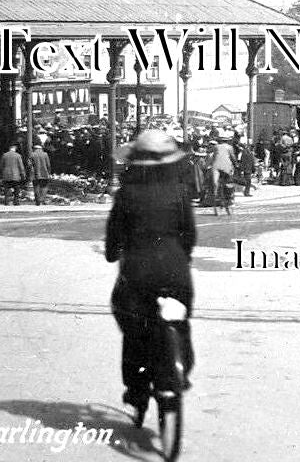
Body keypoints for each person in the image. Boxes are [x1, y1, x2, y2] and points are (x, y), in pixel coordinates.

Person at [106, 129, 196, 427]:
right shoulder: (180, 191)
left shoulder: (126, 194)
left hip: (137, 272)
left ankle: (137, 390)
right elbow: (190, 235)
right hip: (175, 270)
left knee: (134, 330)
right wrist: (181, 256)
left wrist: (112, 252)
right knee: (179, 321)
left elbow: (113, 238)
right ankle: (180, 367)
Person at [30, 142, 52, 206]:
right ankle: (42, 200)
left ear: (35, 149)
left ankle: (37, 201)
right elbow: (48, 165)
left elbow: (29, 165)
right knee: (44, 187)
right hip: (44, 173)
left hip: (35, 174)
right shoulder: (45, 154)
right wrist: (49, 172)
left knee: (36, 187)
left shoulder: (32, 154)